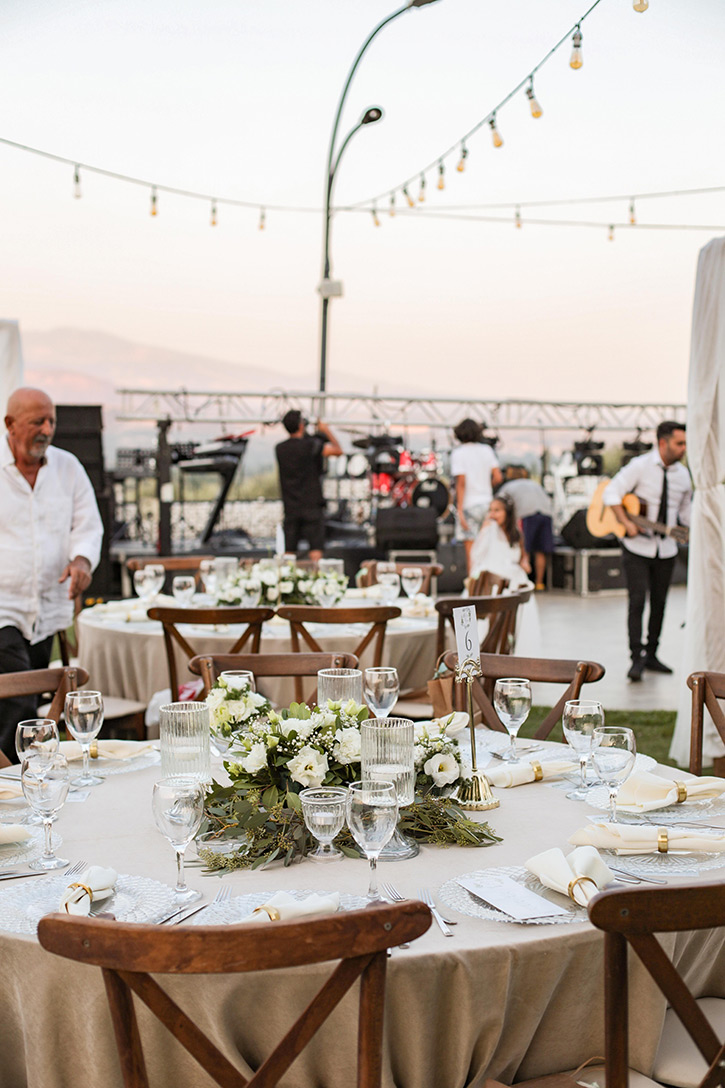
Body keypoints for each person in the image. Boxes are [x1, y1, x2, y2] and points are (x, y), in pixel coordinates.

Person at [0, 387, 103, 760]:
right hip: (3, 608)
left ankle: (27, 774)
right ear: (10, 424)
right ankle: (17, 777)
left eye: (51, 421)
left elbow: (88, 526)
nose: (47, 429)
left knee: (27, 697)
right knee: (20, 698)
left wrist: (81, 561)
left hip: (47, 611)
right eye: (37, 422)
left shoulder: (68, 467)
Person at [603, 421, 691, 682]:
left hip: (666, 548)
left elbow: (685, 512)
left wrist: (697, 528)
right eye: (679, 443)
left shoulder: (683, 476)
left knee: (660, 603)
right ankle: (636, 658)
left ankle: (652, 654)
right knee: (637, 602)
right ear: (663, 443)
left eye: (685, 443)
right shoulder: (639, 466)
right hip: (636, 548)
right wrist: (626, 522)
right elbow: (611, 493)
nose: (684, 448)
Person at [469, 493, 541, 657]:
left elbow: (522, 555)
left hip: (514, 576)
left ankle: (512, 647)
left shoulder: (516, 533)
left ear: (507, 513)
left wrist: (524, 563)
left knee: (519, 608)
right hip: (493, 575)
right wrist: (483, 531)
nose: (492, 514)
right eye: (490, 510)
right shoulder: (489, 530)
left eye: (497, 510)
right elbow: (476, 555)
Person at [275, 409, 342, 562]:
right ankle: (316, 576)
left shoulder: (280, 448)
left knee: (289, 552)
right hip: (312, 505)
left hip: (290, 506)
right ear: (301, 425)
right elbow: (338, 450)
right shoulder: (310, 445)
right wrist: (325, 430)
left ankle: (287, 577)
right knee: (316, 550)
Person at [450, 418, 502, 572]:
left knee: (472, 553)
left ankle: (473, 585)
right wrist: (486, 486)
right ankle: (489, 585)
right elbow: (498, 477)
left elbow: (461, 483)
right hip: (488, 505)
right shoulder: (487, 450)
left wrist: (459, 510)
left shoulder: (458, 453)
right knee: (488, 550)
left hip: (469, 505)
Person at [497, 468, 554, 590]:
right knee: (540, 550)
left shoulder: (508, 487)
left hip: (526, 514)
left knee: (524, 548)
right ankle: (539, 583)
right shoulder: (535, 484)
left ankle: (522, 582)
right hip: (546, 514)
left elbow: (499, 503)